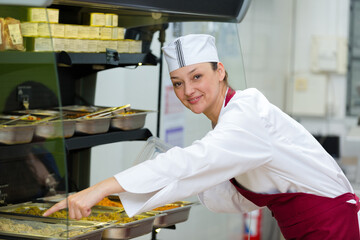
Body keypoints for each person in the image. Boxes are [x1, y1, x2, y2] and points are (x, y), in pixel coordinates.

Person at [44, 34, 360, 239]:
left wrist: (97, 190)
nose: (188, 91)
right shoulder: (228, 118)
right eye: (178, 82)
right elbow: (239, 191)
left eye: (197, 77)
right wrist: (160, 192)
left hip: (328, 228)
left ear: (220, 71)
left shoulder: (244, 116)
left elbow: (195, 160)